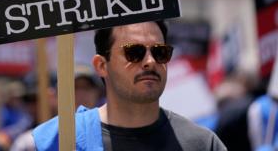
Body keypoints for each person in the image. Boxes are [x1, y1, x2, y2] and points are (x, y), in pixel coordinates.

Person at [32, 20, 227, 150]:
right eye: (134, 52)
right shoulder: (58, 139)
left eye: (160, 52)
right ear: (101, 65)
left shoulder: (201, 144)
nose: (150, 61)